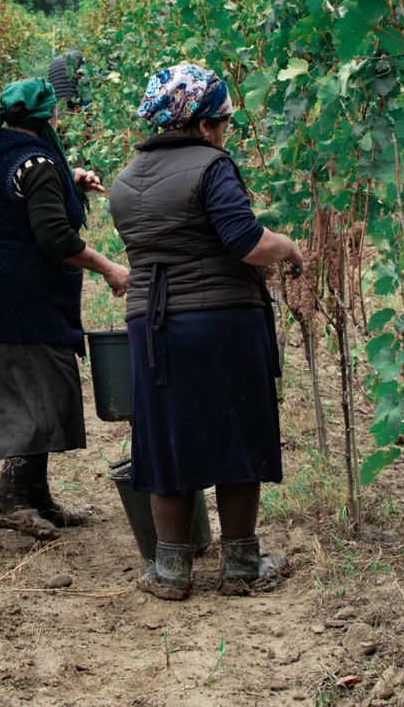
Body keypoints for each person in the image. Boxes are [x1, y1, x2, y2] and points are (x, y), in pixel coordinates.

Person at [109, 62, 306, 600]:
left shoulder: (124, 181)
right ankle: (241, 562)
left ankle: (171, 570)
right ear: (199, 124)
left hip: (152, 329)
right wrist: (286, 245)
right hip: (221, 321)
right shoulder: (212, 166)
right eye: (221, 120)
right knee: (236, 430)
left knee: (166, 438)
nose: (224, 131)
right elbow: (244, 241)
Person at [0, 77, 129, 542]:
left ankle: (37, 496)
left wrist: (69, 182)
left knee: (35, 394)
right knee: (43, 399)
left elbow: (21, 191)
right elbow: (57, 241)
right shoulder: (38, 163)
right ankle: (8, 496)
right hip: (22, 299)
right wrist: (109, 268)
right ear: (48, 116)